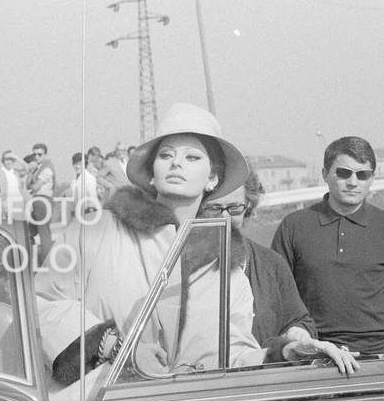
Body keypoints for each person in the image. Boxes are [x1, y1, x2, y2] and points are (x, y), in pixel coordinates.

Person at [38, 103, 264, 384]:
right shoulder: (96, 228)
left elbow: (233, 352)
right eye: (166, 155)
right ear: (152, 175)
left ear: (212, 178)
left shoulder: (225, 261)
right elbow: (42, 303)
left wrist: (284, 353)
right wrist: (115, 347)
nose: (176, 163)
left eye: (192, 157)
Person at [201, 173, 358, 374]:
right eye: (214, 208)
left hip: (266, 381)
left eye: (234, 208)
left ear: (248, 208)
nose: (224, 217)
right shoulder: (181, 267)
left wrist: (297, 335)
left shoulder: (271, 263)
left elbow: (299, 319)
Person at [272, 136, 384, 355]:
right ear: (325, 174)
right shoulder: (294, 226)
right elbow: (275, 294)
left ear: (372, 178)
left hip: (381, 350)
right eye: (343, 173)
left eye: (362, 175)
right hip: (315, 349)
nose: (353, 182)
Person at [27, 143, 55, 265]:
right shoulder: (38, 168)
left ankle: (46, 261)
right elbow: (28, 185)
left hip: (42, 200)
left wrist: (32, 180)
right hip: (38, 201)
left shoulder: (47, 169)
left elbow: (34, 187)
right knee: (30, 231)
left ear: (45, 155)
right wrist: (30, 171)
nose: (37, 157)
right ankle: (31, 258)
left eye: (40, 154)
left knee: (44, 233)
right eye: (35, 154)